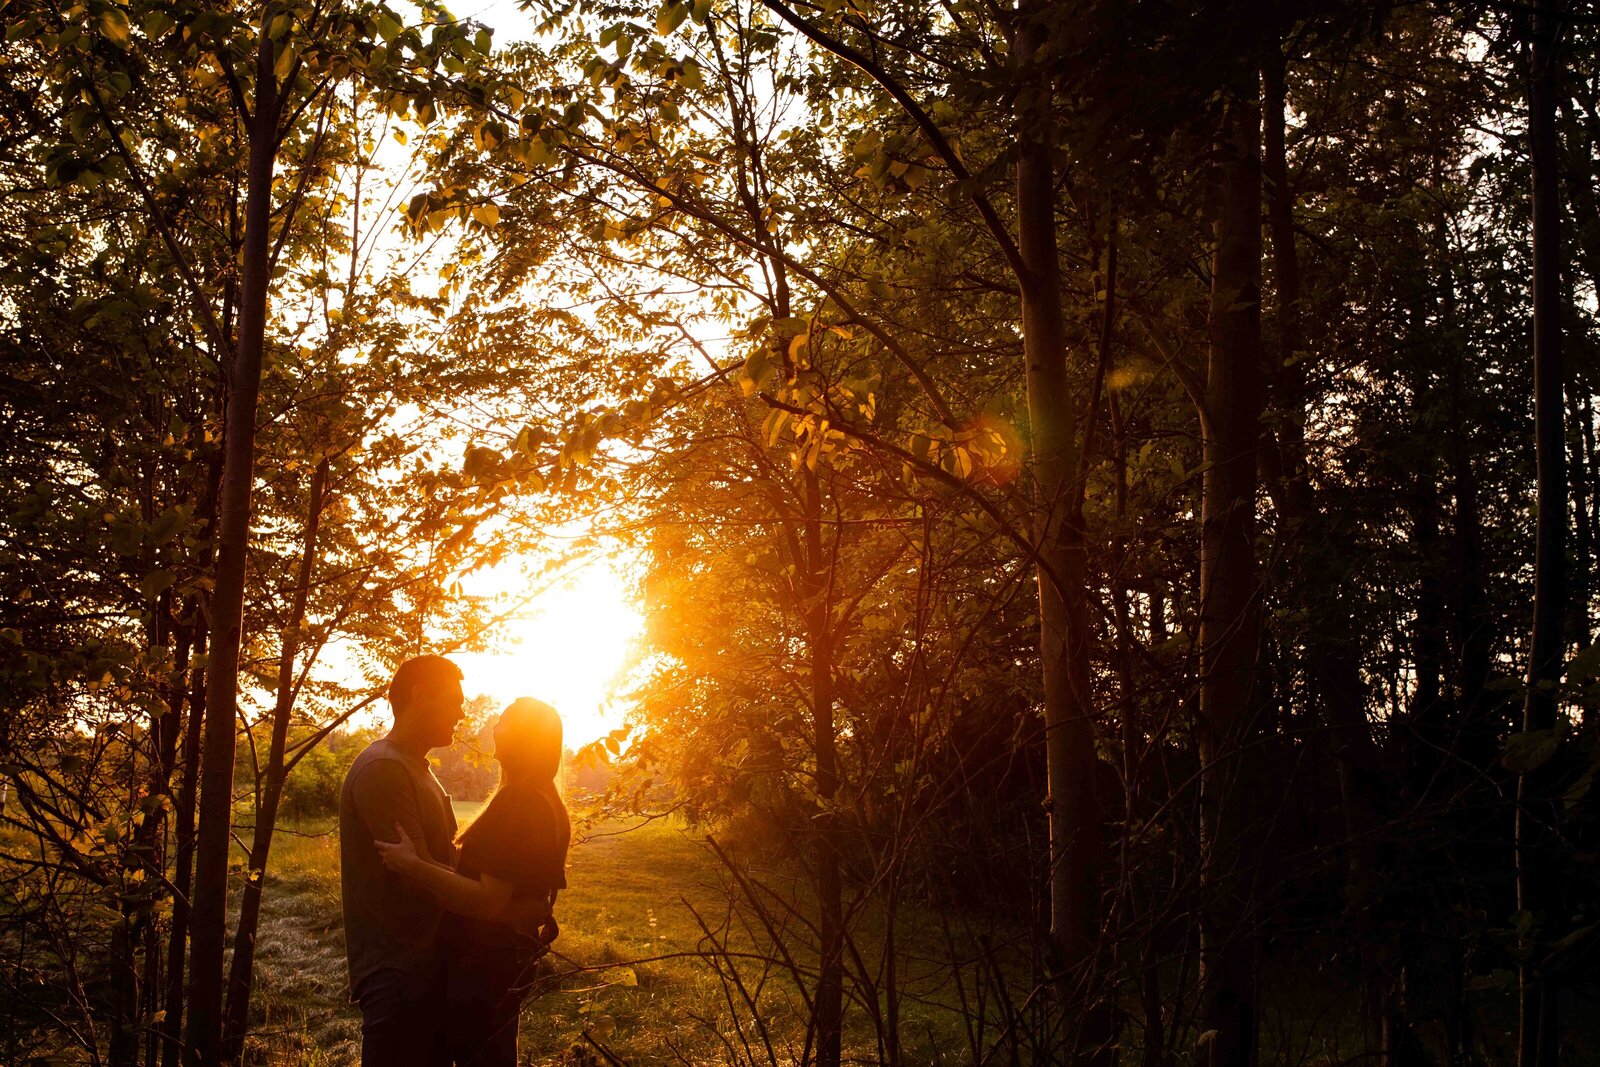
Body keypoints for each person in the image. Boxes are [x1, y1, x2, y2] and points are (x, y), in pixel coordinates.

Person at [375, 697, 571, 1067]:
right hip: (502, 965)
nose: (495, 728)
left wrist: (412, 865)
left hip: (483, 968)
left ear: (525, 738)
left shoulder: (520, 801)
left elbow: (487, 901)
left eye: (505, 722)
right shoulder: (546, 798)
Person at [339, 654, 465, 1067]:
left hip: (426, 969)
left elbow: (440, 857)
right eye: (453, 701)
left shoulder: (417, 768)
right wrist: (490, 896)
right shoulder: (383, 770)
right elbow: (418, 873)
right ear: (420, 696)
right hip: (397, 975)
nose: (461, 713)